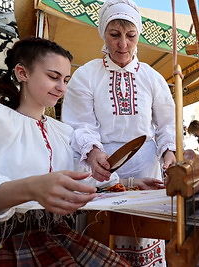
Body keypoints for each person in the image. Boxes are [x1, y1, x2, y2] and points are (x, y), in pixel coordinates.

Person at [0, 37, 129, 266]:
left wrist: (131, 181)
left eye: (66, 80)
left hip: (54, 235)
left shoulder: (63, 132)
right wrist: (31, 188)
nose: (62, 87)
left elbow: (85, 177)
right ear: (23, 73)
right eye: (53, 77)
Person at [61, 0, 176, 265]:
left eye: (130, 36)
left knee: (141, 233)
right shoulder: (87, 74)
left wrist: (168, 152)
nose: (122, 44)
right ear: (104, 33)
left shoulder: (152, 77)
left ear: (138, 36)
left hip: (146, 166)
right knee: (100, 230)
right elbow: (79, 124)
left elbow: (167, 124)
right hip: (100, 166)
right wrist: (93, 153)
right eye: (115, 35)